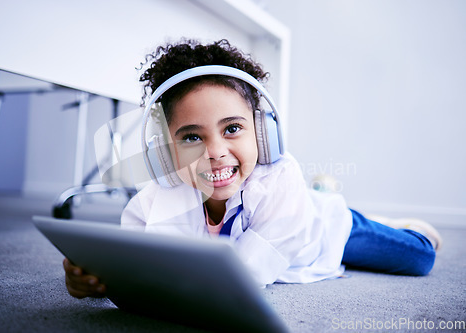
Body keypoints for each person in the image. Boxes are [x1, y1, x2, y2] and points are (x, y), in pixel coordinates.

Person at [63, 39, 441, 299]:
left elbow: (241, 277)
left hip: (323, 230)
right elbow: (136, 263)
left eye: (232, 129)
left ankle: (376, 217)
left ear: (264, 132)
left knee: (419, 258)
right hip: (295, 216)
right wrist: (99, 281)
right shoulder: (156, 199)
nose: (215, 152)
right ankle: (324, 192)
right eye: (191, 137)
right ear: (164, 152)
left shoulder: (277, 179)